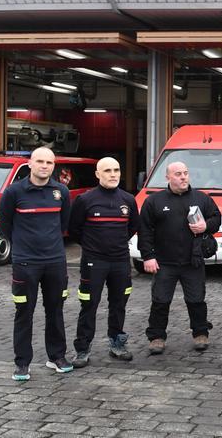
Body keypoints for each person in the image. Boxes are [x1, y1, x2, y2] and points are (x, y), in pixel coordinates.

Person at [0, 147, 73, 381]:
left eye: (49, 162)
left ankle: (56, 357)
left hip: (55, 262)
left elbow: (63, 223)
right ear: (30, 164)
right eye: (39, 161)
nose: (44, 166)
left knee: (56, 310)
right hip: (26, 263)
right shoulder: (14, 192)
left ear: (54, 166)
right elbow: (5, 225)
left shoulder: (61, 191)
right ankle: (22, 363)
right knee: (24, 312)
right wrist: (23, 247)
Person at [139, 161, 220, 354]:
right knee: (160, 301)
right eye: (178, 174)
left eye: (185, 173)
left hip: (193, 261)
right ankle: (156, 337)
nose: (183, 177)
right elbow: (145, 231)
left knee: (196, 300)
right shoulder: (154, 201)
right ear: (167, 177)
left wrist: (205, 226)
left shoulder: (201, 198)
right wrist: (148, 257)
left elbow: (216, 218)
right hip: (164, 261)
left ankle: (200, 333)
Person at [69, 157, 140, 367]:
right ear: (98, 174)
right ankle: (82, 350)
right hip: (94, 262)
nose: (113, 174)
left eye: (116, 170)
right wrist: (93, 247)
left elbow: (132, 227)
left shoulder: (128, 200)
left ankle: (117, 344)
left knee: (119, 304)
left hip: (120, 262)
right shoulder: (85, 200)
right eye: (107, 170)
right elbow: (74, 230)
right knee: (89, 305)